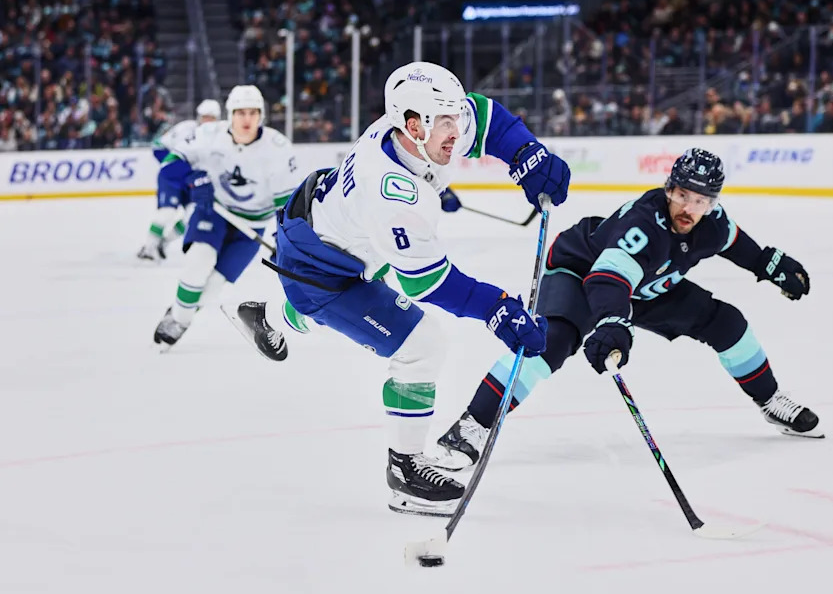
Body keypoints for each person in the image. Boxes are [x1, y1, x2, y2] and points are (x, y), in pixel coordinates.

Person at [224, 61, 571, 517]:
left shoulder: (416, 127)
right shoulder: (392, 195)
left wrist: (528, 152)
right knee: (422, 347)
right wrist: (498, 308)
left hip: (330, 233)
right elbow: (427, 280)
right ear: (413, 124)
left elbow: (484, 119)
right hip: (321, 270)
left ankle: (266, 317)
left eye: (453, 118)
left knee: (353, 300)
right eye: (446, 121)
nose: (457, 129)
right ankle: (404, 471)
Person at [433, 147, 823, 471]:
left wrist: (768, 264)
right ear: (670, 189)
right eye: (683, 195)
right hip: (581, 269)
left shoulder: (712, 223)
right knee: (550, 343)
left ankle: (770, 401)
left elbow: (736, 243)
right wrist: (613, 323)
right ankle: (471, 426)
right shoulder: (644, 224)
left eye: (701, 200)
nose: (690, 207)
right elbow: (607, 279)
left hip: (643, 288)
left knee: (727, 323)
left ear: (713, 203)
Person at [152, 86, 300, 348]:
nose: (246, 119)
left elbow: (287, 205)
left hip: (252, 225)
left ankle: (181, 317)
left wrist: (285, 240)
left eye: (253, 113)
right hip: (215, 212)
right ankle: (178, 320)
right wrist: (193, 178)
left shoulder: (278, 149)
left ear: (261, 115)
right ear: (229, 115)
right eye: (240, 112)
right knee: (199, 260)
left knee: (214, 286)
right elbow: (169, 165)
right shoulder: (209, 135)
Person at [138, 99, 222, 261]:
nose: (207, 121)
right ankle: (148, 248)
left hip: (194, 183)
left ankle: (164, 242)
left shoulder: (221, 137)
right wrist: (175, 167)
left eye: (211, 117)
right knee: (166, 213)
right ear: (199, 117)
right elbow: (158, 147)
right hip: (173, 179)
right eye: (205, 117)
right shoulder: (185, 129)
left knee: (192, 217)